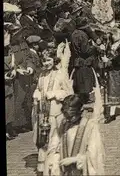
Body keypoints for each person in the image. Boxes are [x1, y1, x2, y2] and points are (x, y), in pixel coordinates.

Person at [32, 46, 73, 176]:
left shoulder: (61, 74)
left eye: (49, 60)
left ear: (54, 60)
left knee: (55, 140)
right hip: (43, 113)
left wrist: (55, 93)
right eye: (44, 61)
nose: (46, 63)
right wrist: (37, 94)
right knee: (44, 139)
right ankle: (44, 167)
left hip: (56, 113)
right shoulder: (42, 75)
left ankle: (55, 167)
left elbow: (68, 92)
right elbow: (39, 88)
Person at [47, 94, 105, 175]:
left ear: (80, 111)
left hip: (81, 170)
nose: (68, 119)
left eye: (71, 116)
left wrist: (75, 160)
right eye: (66, 116)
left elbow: (94, 154)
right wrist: (55, 159)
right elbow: (54, 147)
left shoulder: (90, 126)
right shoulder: (63, 125)